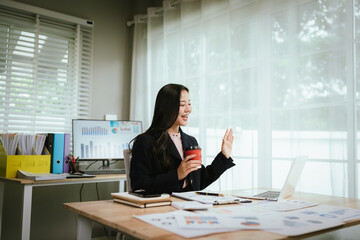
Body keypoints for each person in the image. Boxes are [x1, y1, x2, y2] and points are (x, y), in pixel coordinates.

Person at [130, 83, 235, 194]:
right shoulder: (145, 142)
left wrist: (224, 156)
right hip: (162, 208)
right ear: (167, 107)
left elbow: (199, 181)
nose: (188, 109)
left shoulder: (190, 141)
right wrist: (177, 175)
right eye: (182, 104)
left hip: (189, 207)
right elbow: (139, 185)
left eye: (189, 104)